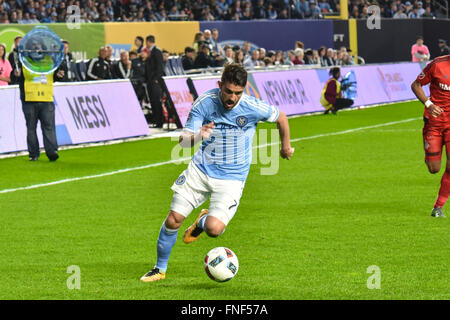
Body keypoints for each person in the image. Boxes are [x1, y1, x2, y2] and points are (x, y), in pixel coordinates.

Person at [140, 63, 294, 282]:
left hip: (231, 179)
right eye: (228, 91)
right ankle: (160, 269)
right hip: (200, 170)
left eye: (238, 93)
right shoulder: (204, 103)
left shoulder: (252, 106)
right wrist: (198, 135)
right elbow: (184, 141)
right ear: (220, 85)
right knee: (174, 219)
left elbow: (282, 118)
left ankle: (202, 222)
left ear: (244, 89)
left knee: (214, 229)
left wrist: (285, 147)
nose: (232, 98)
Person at [410, 54, 450, 218]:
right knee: (434, 168)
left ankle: (438, 207)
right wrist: (429, 103)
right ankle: (430, 154)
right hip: (434, 122)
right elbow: (416, 84)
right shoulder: (437, 64)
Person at [18, 38, 65, 161]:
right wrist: (15, 74)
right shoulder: (24, 61)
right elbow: (16, 76)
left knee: (40, 127)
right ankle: (38, 153)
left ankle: (49, 152)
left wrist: (58, 75)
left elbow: (53, 76)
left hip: (42, 98)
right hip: (33, 99)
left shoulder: (25, 61)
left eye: (38, 46)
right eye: (34, 46)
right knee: (36, 127)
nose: (37, 49)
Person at [145, 35, 164, 128]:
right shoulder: (151, 52)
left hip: (155, 81)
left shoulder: (157, 51)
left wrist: (157, 79)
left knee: (156, 101)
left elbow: (160, 66)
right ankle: (157, 120)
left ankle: (159, 121)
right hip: (150, 80)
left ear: (148, 42)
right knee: (153, 101)